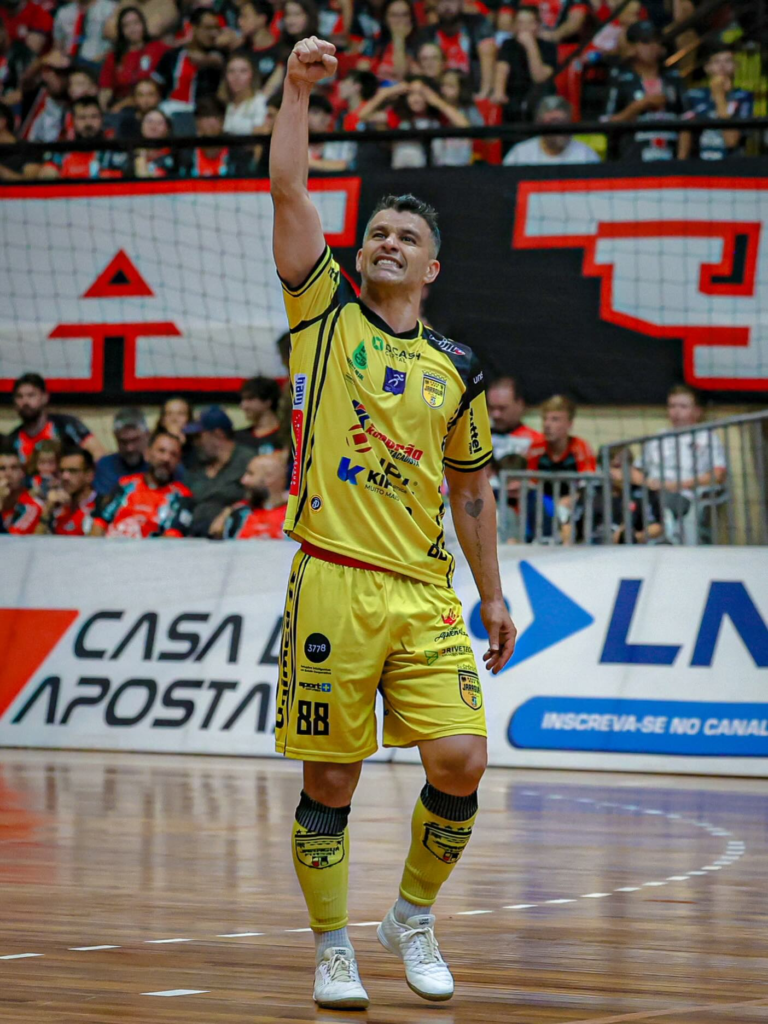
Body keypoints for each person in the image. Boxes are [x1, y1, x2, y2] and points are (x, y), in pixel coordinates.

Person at [270, 34, 516, 1010]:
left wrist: (492, 592)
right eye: (375, 231)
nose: (385, 242)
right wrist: (295, 88)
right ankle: (332, 944)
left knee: (461, 760)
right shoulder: (322, 314)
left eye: (404, 238)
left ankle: (410, 914)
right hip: (331, 570)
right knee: (331, 781)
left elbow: (470, 490)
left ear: (433, 268)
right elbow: (290, 193)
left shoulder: (458, 367)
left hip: (423, 592)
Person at [604, 20, 688, 161]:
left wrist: (681, 160)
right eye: (645, 42)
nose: (652, 47)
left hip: (670, 153)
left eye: (656, 41)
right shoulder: (621, 79)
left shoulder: (673, 78)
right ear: (632, 47)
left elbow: (687, 120)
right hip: (634, 156)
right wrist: (640, 105)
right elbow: (608, 121)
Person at [91, 429, 193, 537]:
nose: (166, 458)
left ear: (178, 462)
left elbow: (171, 539)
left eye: (173, 455)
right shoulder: (126, 485)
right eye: (161, 451)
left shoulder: (181, 496)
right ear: (147, 454)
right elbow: (99, 523)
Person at [639, 384, 726, 498]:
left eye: (683, 407)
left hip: (685, 494)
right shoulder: (658, 437)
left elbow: (718, 475)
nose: (676, 411)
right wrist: (647, 483)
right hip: (652, 492)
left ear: (697, 411)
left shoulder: (707, 437)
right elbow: (637, 469)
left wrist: (676, 485)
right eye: (672, 406)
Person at [183, 405, 253, 536]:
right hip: (192, 536)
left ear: (218, 434)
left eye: (199, 436)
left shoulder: (247, 461)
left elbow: (259, 497)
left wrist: (230, 512)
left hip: (230, 537)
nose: (196, 443)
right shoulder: (197, 464)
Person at [9, 373, 103, 468]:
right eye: (19, 396)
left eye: (31, 395)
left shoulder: (67, 425)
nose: (25, 401)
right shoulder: (12, 440)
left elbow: (99, 455)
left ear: (45, 397)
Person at [682, 44, 754, 160]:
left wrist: (719, 96)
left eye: (728, 61)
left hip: (732, 165)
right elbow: (684, 134)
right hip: (698, 165)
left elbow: (731, 141)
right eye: (716, 61)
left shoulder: (743, 96)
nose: (722, 66)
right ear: (707, 67)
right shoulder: (693, 96)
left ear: (736, 66)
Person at [416, 0, 495, 98]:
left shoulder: (477, 24)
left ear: (461, 3)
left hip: (472, 92)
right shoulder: (428, 33)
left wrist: (483, 95)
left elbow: (488, 53)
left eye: (452, 1)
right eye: (442, 2)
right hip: (438, 94)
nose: (447, 6)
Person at [491, 5, 555, 123]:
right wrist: (499, 91)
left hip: (538, 98)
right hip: (514, 96)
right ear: (514, 26)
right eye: (520, 23)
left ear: (537, 25)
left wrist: (530, 46)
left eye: (529, 23)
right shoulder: (508, 44)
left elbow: (539, 77)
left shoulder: (549, 47)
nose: (524, 27)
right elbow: (502, 68)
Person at [38, 96, 128, 177]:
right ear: (73, 120)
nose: (88, 123)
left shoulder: (113, 151)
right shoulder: (61, 151)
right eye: (82, 118)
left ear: (102, 119)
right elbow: (47, 173)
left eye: (94, 117)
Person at [152, 7, 225, 107]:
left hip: (203, 115)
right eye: (208, 28)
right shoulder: (172, 55)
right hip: (170, 111)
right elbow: (154, 85)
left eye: (216, 28)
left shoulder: (221, 55)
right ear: (193, 28)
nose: (213, 33)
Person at [98, 5, 168, 110]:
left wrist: (123, 104)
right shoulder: (114, 56)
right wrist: (103, 110)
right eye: (126, 25)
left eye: (136, 23)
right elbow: (106, 88)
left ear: (143, 24)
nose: (133, 29)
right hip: (121, 107)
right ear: (121, 30)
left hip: (153, 105)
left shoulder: (158, 48)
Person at [503, 94, 600, 164]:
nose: (559, 129)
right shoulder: (519, 155)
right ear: (540, 124)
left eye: (563, 122)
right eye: (553, 122)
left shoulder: (586, 155)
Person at [213, 449, 289, 538]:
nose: (243, 480)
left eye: (251, 474)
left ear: (269, 477)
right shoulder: (237, 514)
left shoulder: (297, 517)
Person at [527, 394, 596, 479]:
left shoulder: (581, 447)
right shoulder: (536, 447)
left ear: (569, 424)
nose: (547, 424)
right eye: (545, 419)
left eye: (555, 419)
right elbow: (529, 484)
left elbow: (587, 484)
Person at [180, 94, 253, 174]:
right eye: (206, 116)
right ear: (197, 122)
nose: (211, 122)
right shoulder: (186, 153)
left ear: (223, 121)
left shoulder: (237, 152)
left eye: (216, 116)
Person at [35, 447, 97, 535]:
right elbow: (35, 545)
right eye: (62, 471)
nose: (65, 477)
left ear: (89, 475)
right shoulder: (57, 508)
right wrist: (47, 511)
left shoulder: (101, 508)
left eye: (73, 471)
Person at [93, 407, 150, 495]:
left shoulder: (158, 464)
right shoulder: (105, 466)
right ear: (115, 438)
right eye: (123, 442)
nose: (129, 448)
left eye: (134, 440)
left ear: (146, 436)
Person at [486, 376, 544, 461]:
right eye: (491, 408)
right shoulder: (478, 440)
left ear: (519, 404)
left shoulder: (537, 442)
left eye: (502, 408)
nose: (496, 415)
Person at [236, 0, 285, 97]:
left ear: (261, 19)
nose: (239, 22)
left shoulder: (282, 52)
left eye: (244, 16)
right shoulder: (239, 53)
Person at [53, 0, 117, 67]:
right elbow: (58, 45)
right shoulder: (64, 12)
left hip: (98, 63)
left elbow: (117, 43)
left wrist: (103, 57)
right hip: (68, 63)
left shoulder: (110, 9)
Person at [235, 375, 285, 453]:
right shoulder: (239, 437)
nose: (243, 406)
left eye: (250, 399)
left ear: (268, 401)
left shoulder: (286, 437)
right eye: (243, 400)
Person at [0, 445, 43, 534]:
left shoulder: (32, 506)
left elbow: (9, 541)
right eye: (2, 468)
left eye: (14, 468)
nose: (8, 474)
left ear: (22, 473)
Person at [307, 91, 355, 170]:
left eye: (327, 114)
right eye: (315, 112)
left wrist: (307, 163)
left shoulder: (341, 142)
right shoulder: (292, 145)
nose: (322, 118)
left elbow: (342, 166)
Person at [221, 51, 267, 131]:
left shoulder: (260, 102)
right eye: (231, 71)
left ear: (252, 75)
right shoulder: (226, 104)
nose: (236, 76)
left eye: (243, 71)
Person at [133, 106, 176, 174]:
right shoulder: (131, 153)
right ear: (141, 126)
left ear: (167, 129)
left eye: (159, 123)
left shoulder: (174, 155)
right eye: (149, 122)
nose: (153, 127)